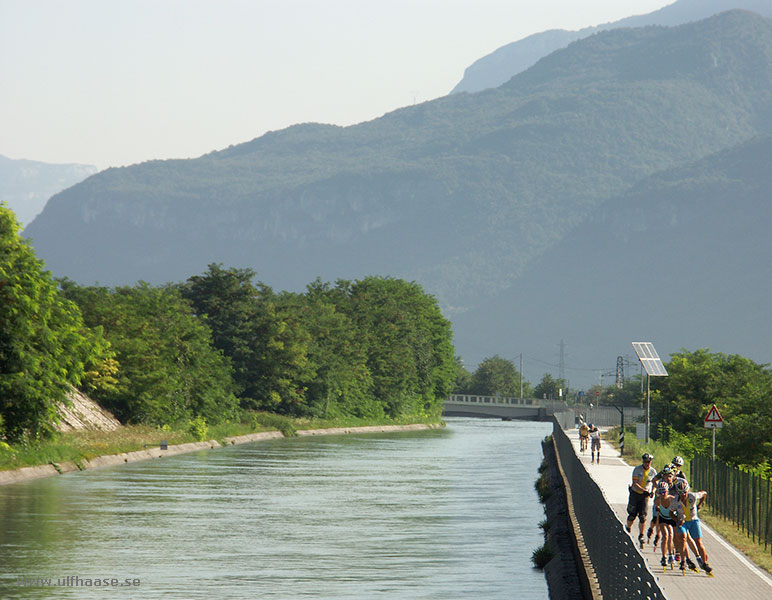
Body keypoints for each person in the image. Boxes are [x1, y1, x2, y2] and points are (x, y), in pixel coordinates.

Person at [670, 479, 713, 576]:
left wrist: (699, 505)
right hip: (682, 522)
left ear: (688, 490)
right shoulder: (675, 501)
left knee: (698, 541)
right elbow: (671, 513)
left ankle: (704, 563)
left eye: (685, 492)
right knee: (683, 538)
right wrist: (677, 520)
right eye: (681, 493)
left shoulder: (693, 496)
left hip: (693, 520)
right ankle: (684, 560)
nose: (683, 495)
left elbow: (704, 493)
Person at [626, 453, 657, 549]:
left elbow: (655, 483)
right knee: (632, 515)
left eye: (649, 462)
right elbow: (634, 483)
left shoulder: (653, 471)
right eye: (645, 462)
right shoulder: (637, 469)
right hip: (635, 494)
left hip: (645, 496)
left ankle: (641, 535)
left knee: (643, 516)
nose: (647, 463)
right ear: (643, 461)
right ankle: (628, 528)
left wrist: (652, 491)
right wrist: (644, 490)